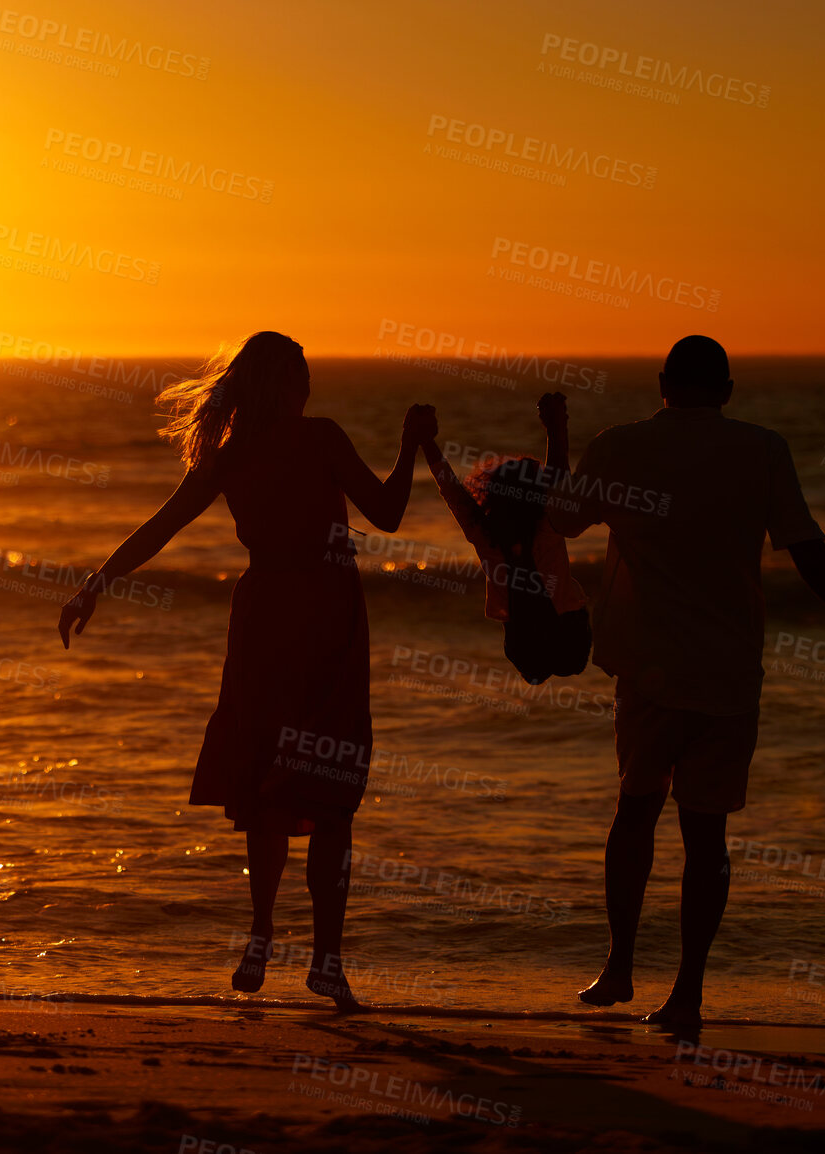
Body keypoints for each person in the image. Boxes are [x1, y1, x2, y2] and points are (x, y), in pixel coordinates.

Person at [57, 331, 435, 1009]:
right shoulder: (320, 438)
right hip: (326, 620)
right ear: (289, 386)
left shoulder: (231, 456)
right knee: (330, 790)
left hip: (263, 620)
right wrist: (411, 445)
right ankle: (325, 961)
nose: (310, 386)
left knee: (267, 786)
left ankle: (261, 936)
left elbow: (161, 525)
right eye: (304, 375)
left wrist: (96, 584)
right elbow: (388, 512)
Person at [547, 334, 825, 1032]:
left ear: (661, 382)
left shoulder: (618, 445)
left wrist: (558, 439)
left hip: (644, 663)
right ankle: (687, 992)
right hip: (726, 669)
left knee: (634, 810)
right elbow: (805, 545)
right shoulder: (761, 449)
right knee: (706, 835)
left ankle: (618, 967)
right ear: (725, 391)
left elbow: (561, 521)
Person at [420, 391, 590, 684]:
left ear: (491, 496)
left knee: (536, 668)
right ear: (538, 493)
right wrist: (555, 426)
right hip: (567, 630)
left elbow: (451, 490)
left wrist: (426, 440)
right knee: (571, 664)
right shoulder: (548, 525)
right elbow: (559, 478)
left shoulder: (485, 534)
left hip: (523, 639)